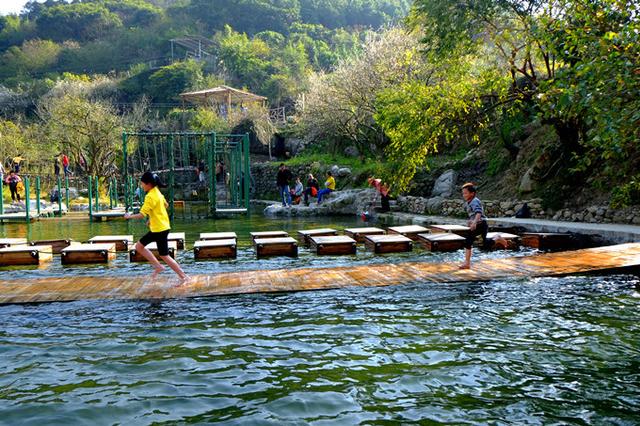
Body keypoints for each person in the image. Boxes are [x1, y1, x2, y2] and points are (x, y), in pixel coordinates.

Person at [124, 172, 189, 282]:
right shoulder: (157, 192)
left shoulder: (150, 196)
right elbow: (165, 205)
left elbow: (141, 214)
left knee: (164, 255)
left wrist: (129, 216)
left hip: (159, 230)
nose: (141, 186)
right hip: (160, 227)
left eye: (142, 184)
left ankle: (184, 277)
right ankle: (158, 267)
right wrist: (151, 218)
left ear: (148, 184)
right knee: (139, 246)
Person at [459, 182, 507, 269]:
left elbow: (478, 213)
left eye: (465, 193)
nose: (464, 195)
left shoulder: (475, 201)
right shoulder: (469, 202)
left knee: (468, 241)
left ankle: (467, 263)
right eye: (463, 193)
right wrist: (471, 221)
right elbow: (473, 215)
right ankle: (497, 238)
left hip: (481, 224)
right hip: (479, 224)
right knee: (484, 245)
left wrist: (474, 222)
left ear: (472, 193)